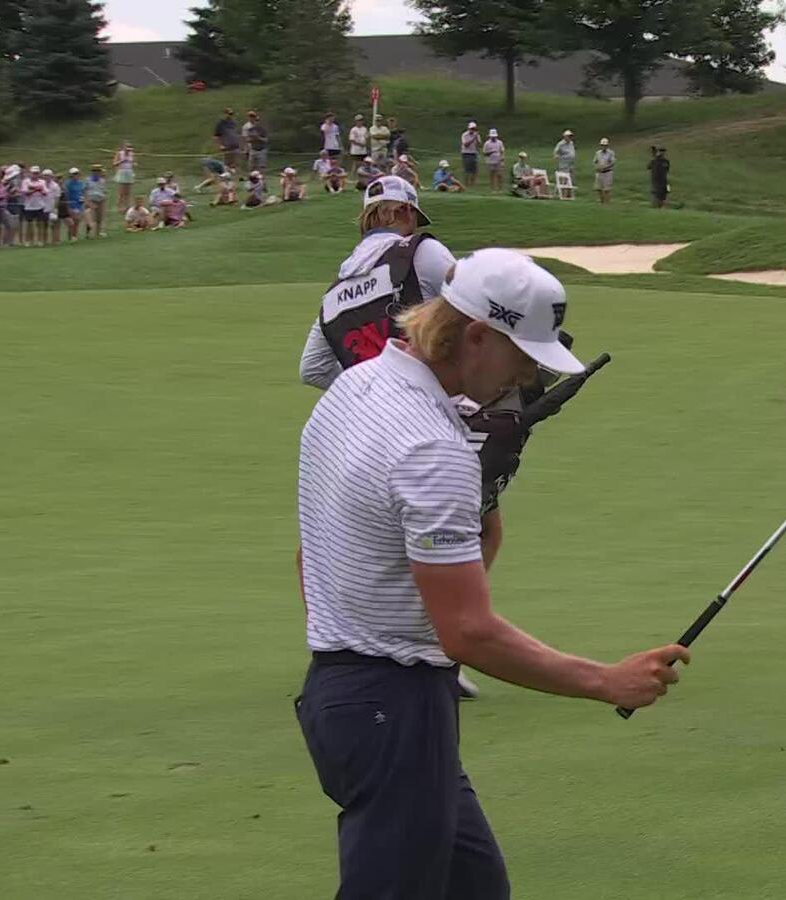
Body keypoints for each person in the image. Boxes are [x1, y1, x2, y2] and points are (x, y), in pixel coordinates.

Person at [293, 245, 689, 898]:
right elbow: (469, 633)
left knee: (476, 887)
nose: (529, 376)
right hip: (394, 706)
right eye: (523, 355)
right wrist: (605, 681)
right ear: (475, 336)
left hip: (345, 691)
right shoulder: (432, 447)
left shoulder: (353, 388)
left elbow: (312, 554)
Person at [84, 164, 108, 238]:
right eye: (96, 171)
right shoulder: (87, 180)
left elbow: (103, 190)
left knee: (99, 218)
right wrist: (87, 201)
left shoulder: (102, 180)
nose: (98, 173)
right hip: (91, 200)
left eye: (99, 171)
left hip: (101, 200)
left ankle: (97, 233)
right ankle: (89, 233)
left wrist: (104, 197)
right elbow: (84, 191)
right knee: (92, 217)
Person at [215, 108, 242, 173]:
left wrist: (240, 144)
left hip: (235, 146)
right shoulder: (221, 123)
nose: (230, 115)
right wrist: (220, 145)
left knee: (235, 165)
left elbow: (238, 134)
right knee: (226, 165)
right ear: (224, 114)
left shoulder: (234, 123)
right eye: (228, 114)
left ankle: (234, 179)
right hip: (226, 147)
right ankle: (226, 179)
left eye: (231, 114)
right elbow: (216, 136)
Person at [3, 165, 24, 246]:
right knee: (9, 225)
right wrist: (13, 193)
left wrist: (17, 193)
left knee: (15, 225)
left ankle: (11, 241)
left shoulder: (16, 182)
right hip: (8, 205)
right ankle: (5, 242)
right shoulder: (6, 183)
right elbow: (4, 194)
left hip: (16, 204)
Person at [63, 167, 86, 241]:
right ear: (71, 175)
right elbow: (66, 195)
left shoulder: (80, 183)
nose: (75, 175)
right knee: (73, 221)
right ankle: (71, 237)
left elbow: (82, 192)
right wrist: (68, 207)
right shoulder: (68, 184)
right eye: (74, 174)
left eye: (76, 173)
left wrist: (83, 198)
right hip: (71, 204)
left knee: (77, 221)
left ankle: (74, 236)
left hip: (79, 204)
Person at [593, 138, 617, 205]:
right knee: (599, 188)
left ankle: (607, 203)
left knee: (607, 189)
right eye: (602, 145)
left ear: (607, 146)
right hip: (599, 172)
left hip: (607, 172)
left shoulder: (611, 153)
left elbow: (612, 163)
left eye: (605, 145)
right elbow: (595, 161)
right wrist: (597, 167)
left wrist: (605, 167)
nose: (603, 147)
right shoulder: (597, 153)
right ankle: (602, 202)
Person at [113, 141, 136, 208]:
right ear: (124, 148)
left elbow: (133, 162)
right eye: (127, 147)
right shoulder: (120, 153)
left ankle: (127, 206)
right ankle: (119, 206)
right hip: (122, 172)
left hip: (129, 172)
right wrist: (121, 161)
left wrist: (134, 164)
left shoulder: (132, 154)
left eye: (130, 147)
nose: (129, 149)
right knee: (121, 192)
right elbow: (114, 164)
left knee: (128, 192)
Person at [482, 128, 505, 192]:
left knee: (499, 175)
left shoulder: (500, 142)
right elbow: (484, 153)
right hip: (490, 161)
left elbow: (502, 151)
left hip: (498, 161)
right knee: (492, 175)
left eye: (494, 136)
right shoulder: (487, 143)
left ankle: (500, 189)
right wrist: (491, 152)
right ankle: (493, 189)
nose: (493, 137)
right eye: (492, 136)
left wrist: (502, 159)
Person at [648, 144, 671, 209]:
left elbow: (667, 170)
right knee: (656, 197)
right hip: (656, 182)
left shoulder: (666, 161)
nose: (662, 152)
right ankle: (656, 208)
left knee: (664, 196)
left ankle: (662, 209)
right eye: (660, 151)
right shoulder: (654, 161)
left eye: (663, 151)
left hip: (664, 181)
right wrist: (654, 157)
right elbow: (648, 167)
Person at [459, 121, 481, 186]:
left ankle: (473, 183)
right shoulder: (464, 135)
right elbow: (466, 144)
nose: (473, 130)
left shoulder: (477, 135)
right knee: (467, 169)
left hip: (474, 153)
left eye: (474, 129)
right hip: (466, 153)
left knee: (474, 169)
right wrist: (473, 138)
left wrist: (477, 138)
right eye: (471, 129)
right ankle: (466, 183)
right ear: (468, 128)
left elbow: (479, 144)